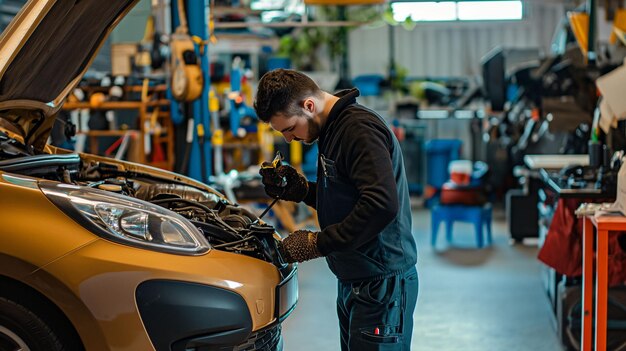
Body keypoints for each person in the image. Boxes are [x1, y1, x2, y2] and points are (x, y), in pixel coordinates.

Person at [254, 69, 418, 351]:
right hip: (356, 277)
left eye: (290, 128)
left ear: (309, 105)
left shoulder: (357, 131)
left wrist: (318, 243)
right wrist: (304, 191)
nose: (290, 139)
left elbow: (381, 205)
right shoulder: (331, 129)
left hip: (381, 282)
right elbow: (348, 197)